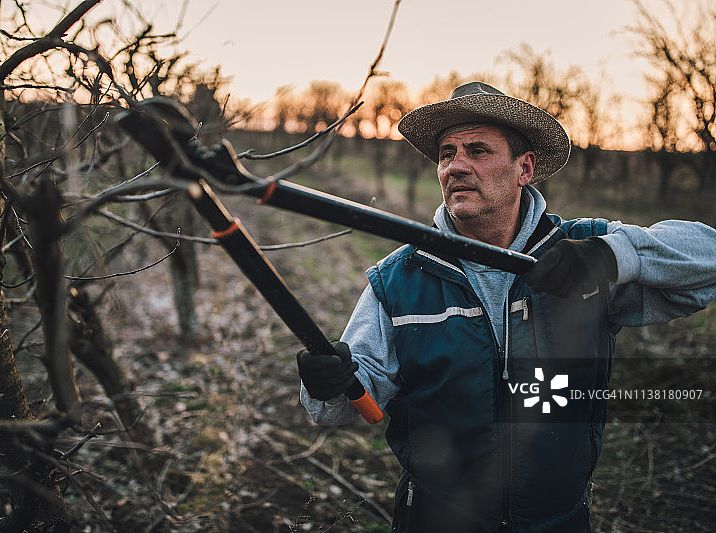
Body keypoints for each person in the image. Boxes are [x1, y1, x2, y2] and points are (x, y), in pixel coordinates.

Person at [296, 81, 716, 533]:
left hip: (559, 520)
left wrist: (614, 256)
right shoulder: (399, 278)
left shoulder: (582, 252)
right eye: (446, 153)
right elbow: (340, 408)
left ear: (524, 168)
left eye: (477, 150)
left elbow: (707, 260)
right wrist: (328, 385)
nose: (456, 165)